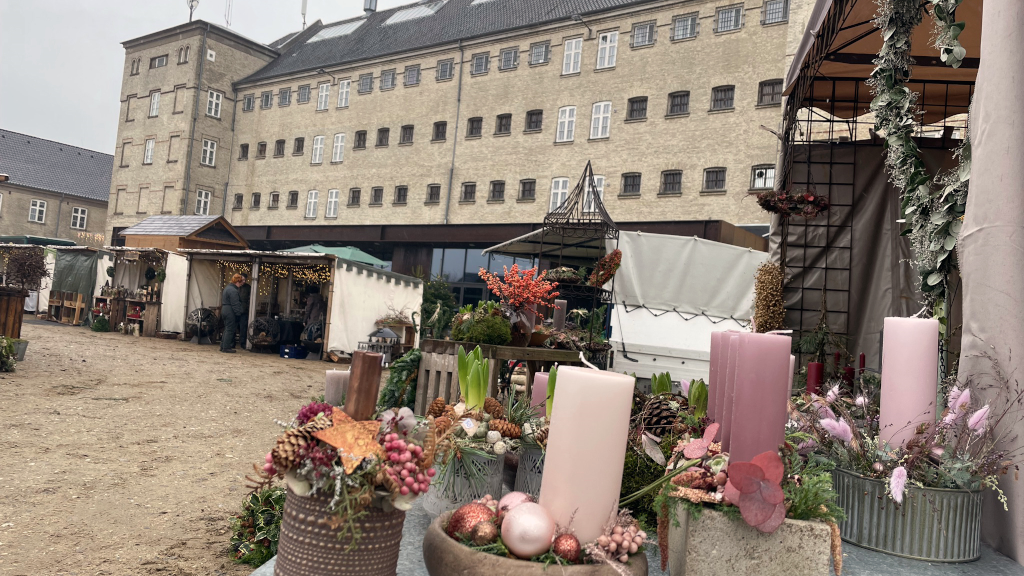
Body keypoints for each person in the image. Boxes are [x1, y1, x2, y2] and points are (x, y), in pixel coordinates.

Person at [220, 274, 244, 353]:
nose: (242, 283)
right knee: (230, 329)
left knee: (226, 328)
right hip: (230, 311)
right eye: (241, 282)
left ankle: (223, 346)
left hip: (225, 309)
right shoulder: (233, 290)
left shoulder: (227, 288)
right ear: (237, 281)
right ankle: (226, 347)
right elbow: (235, 304)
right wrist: (238, 314)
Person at [237, 272, 251, 349]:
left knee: (243, 328)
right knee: (234, 327)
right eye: (242, 279)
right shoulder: (235, 286)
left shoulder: (248, 287)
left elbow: (250, 299)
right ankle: (232, 343)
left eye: (245, 280)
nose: (244, 281)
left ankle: (242, 343)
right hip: (235, 310)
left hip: (244, 310)